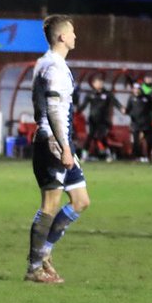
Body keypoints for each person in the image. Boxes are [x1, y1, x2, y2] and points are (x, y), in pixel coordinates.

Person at [25, 15, 91, 284]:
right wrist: (63, 146)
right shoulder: (54, 68)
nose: (75, 36)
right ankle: (34, 267)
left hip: (62, 141)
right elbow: (52, 109)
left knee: (80, 201)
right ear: (62, 36)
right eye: (72, 32)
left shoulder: (46, 63)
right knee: (50, 205)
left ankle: (46, 251)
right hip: (52, 142)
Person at [78, 73, 115, 161]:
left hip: (103, 120)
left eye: (101, 83)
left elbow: (115, 102)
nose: (100, 85)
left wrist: (121, 108)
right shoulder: (90, 94)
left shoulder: (107, 94)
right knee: (90, 136)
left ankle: (108, 154)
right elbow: (84, 105)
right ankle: (84, 155)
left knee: (101, 137)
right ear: (94, 84)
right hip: (92, 120)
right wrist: (78, 110)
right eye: (98, 83)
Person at [124, 76, 152, 163]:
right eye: (135, 89)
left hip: (146, 122)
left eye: (138, 89)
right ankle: (136, 156)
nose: (136, 91)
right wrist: (127, 112)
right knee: (136, 141)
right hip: (135, 123)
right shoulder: (131, 98)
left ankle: (148, 156)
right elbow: (128, 110)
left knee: (148, 140)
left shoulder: (147, 98)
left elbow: (151, 108)